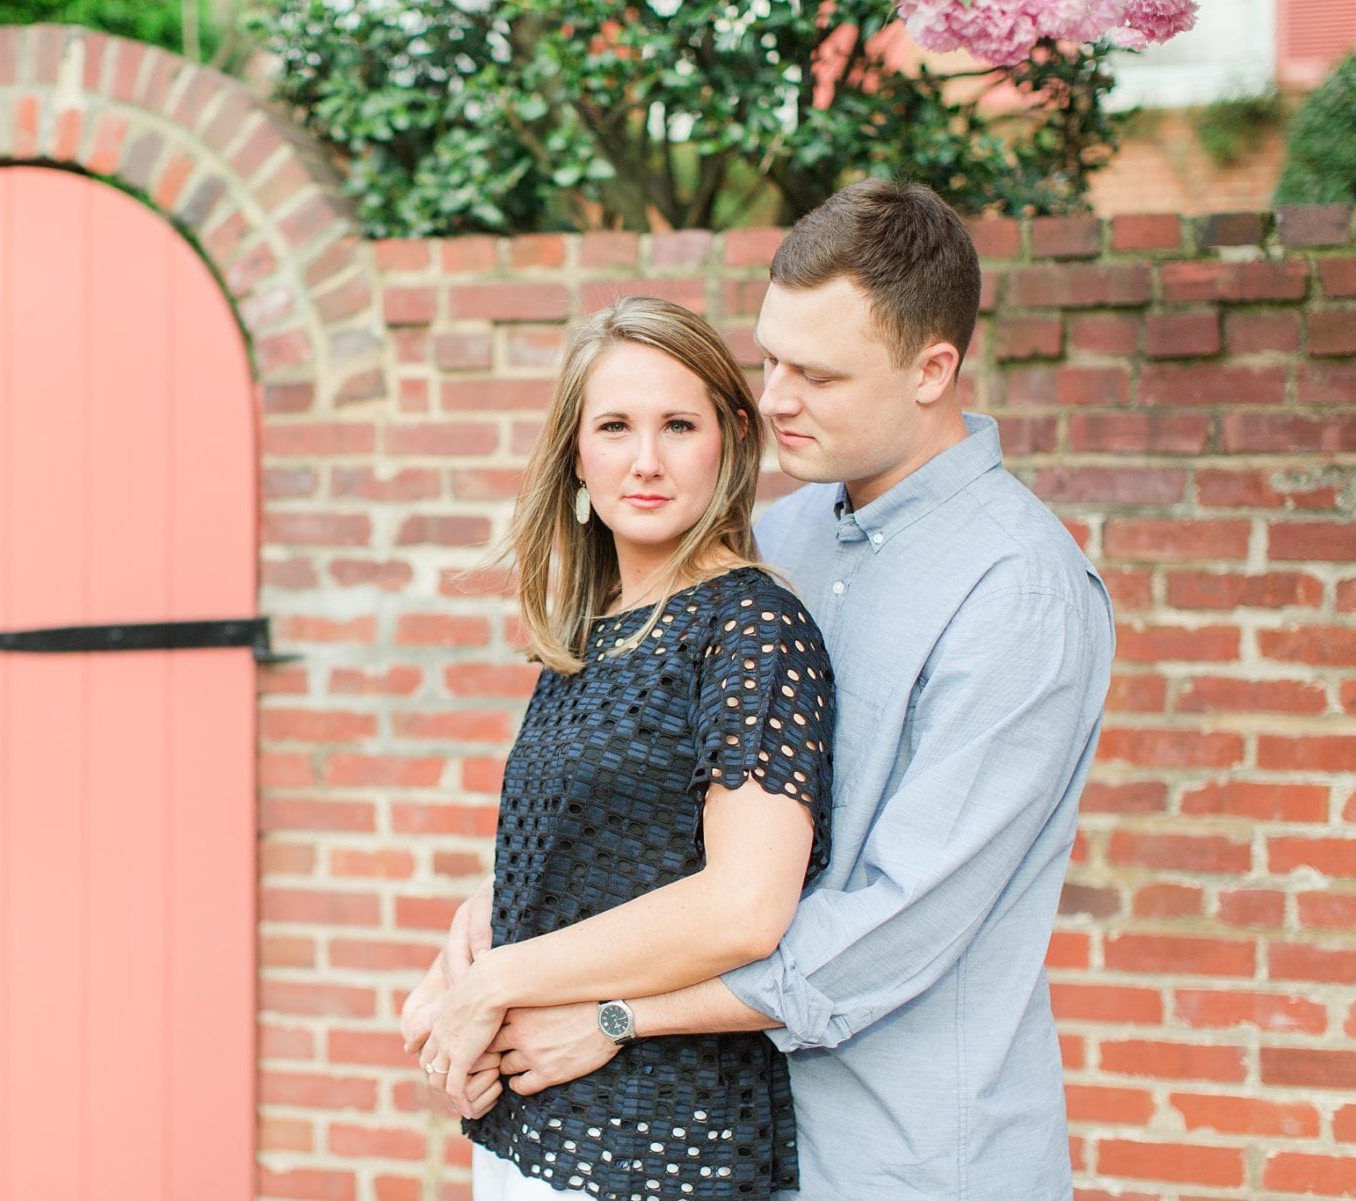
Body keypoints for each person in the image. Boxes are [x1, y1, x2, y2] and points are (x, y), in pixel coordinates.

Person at [426, 179, 1115, 1200]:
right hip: (740, 1135)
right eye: (773, 358)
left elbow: (894, 926)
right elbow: (669, 816)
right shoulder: (777, 543)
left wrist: (613, 1012)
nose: (777, 397)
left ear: (936, 370)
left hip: (911, 1156)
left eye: (820, 373)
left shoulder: (1019, 594)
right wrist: (511, 909)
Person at [400, 296, 836, 1200]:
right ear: (576, 455)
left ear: (730, 439)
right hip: (530, 1132)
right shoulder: (593, 629)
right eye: (615, 426)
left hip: (667, 1146)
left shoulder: (750, 624)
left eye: (678, 424)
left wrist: (499, 982)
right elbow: (602, 851)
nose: (645, 461)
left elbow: (745, 906)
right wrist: (464, 963)